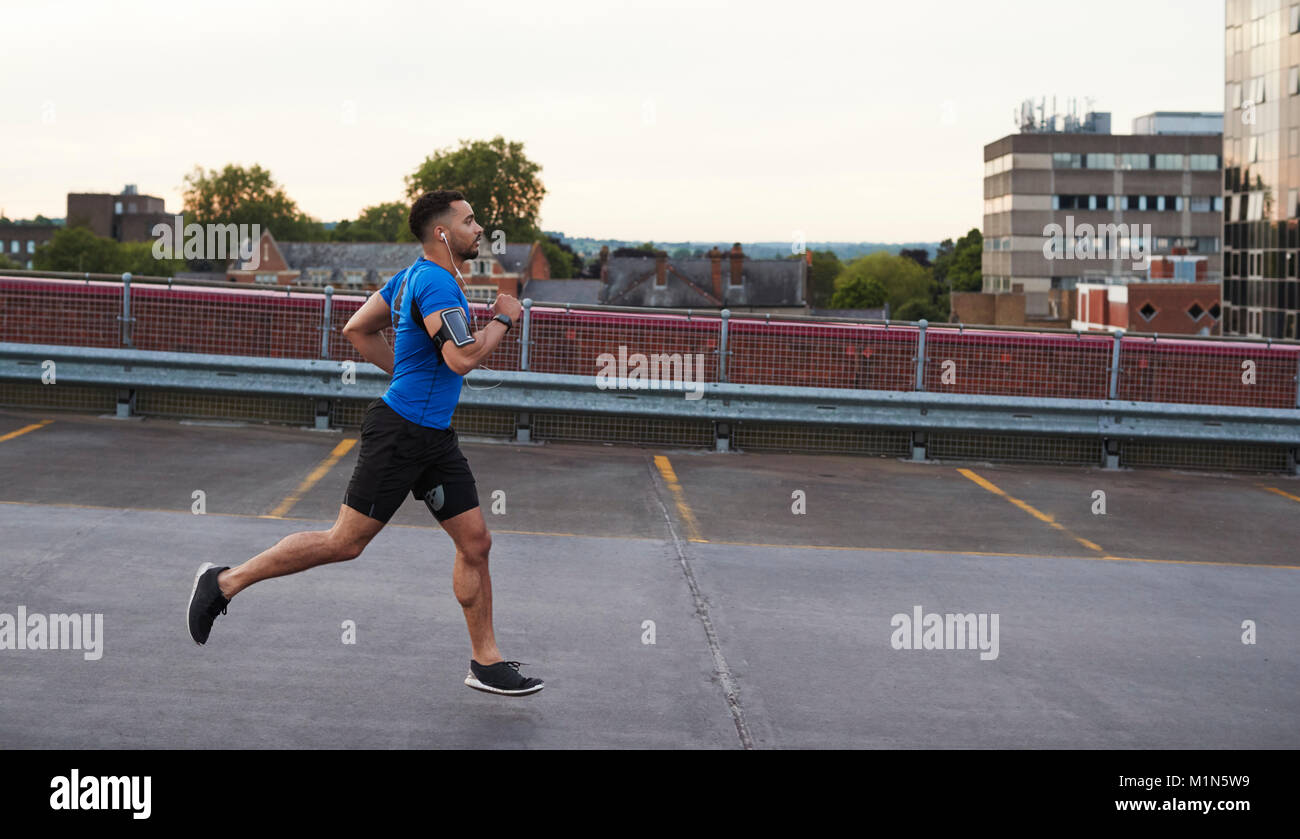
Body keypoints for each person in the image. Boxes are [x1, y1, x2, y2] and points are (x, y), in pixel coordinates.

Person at [186, 189, 542, 696]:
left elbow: (357, 327)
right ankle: (222, 584)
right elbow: (462, 360)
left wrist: (409, 375)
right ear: (443, 232)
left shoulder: (409, 278)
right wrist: (504, 317)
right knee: (344, 543)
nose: (480, 228)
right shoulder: (437, 283)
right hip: (401, 435)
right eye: (469, 220)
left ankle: (486, 662)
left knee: (476, 543)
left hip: (434, 437)